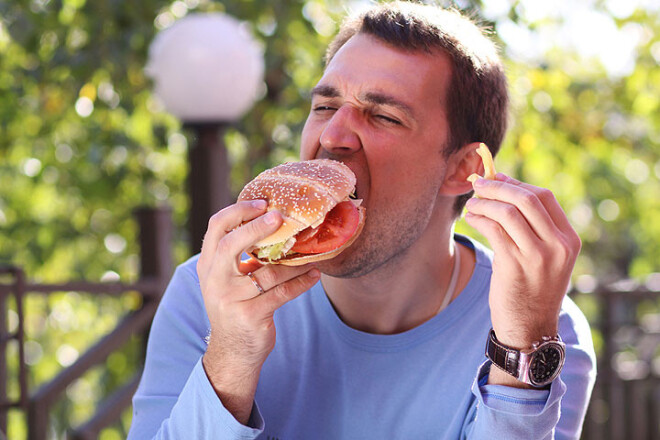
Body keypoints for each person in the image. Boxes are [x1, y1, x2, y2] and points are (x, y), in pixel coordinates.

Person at [128, 2, 596, 439]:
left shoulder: (543, 328)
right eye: (325, 107)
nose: (332, 136)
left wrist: (520, 349)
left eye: (384, 116)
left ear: (465, 170)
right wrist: (230, 354)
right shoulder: (207, 290)